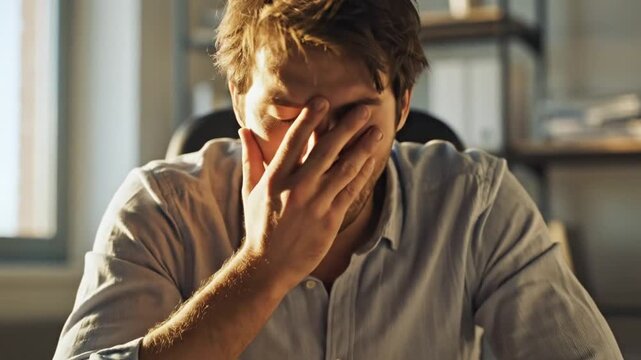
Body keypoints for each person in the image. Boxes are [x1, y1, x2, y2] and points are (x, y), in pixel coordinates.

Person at [54, 0, 623, 359]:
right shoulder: (161, 208)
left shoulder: (475, 204)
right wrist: (262, 267)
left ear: (402, 107)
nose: (318, 151)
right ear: (236, 98)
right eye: (285, 116)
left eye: (354, 118)